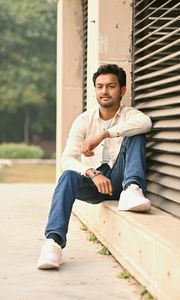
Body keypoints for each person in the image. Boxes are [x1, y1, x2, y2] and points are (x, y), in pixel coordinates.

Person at [37, 64, 152, 270]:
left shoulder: (130, 115)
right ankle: (53, 242)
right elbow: (67, 159)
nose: (104, 91)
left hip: (120, 179)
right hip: (94, 184)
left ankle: (133, 188)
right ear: (95, 90)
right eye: (99, 86)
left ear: (123, 90)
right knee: (67, 176)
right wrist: (92, 172)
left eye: (111, 86)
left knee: (135, 133)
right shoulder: (83, 120)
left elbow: (146, 123)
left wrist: (104, 134)